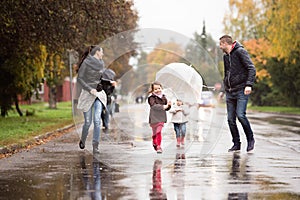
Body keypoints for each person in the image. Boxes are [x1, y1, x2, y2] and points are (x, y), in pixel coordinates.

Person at [218, 35, 256, 152]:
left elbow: (251, 68)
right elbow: (227, 75)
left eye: (220, 44)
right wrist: (222, 90)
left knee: (240, 115)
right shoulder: (225, 57)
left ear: (225, 43)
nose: (219, 47)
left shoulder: (240, 52)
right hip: (230, 91)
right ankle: (236, 143)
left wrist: (248, 84)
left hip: (241, 90)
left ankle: (250, 139)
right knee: (230, 119)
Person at [77, 45, 115, 154]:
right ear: (97, 52)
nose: (102, 54)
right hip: (87, 94)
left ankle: (95, 145)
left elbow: (101, 78)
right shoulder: (86, 63)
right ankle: (83, 139)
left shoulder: (101, 63)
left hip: (98, 93)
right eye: (101, 52)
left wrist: (109, 83)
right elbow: (80, 78)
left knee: (97, 120)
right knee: (88, 122)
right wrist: (89, 89)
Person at [148, 81, 171, 153]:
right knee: (155, 133)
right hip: (154, 117)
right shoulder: (151, 98)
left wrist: (169, 105)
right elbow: (154, 106)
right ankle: (154, 142)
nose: (158, 90)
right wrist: (164, 106)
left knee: (159, 131)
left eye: (159, 88)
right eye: (155, 89)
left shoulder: (164, 97)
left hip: (161, 118)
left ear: (161, 88)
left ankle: (159, 146)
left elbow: (167, 108)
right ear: (152, 90)